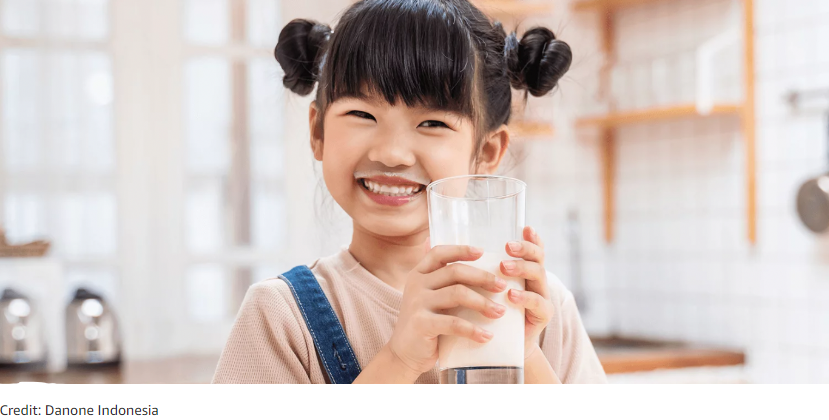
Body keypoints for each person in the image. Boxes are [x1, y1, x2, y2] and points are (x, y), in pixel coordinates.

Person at [213, 0, 606, 384]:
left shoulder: (542, 310)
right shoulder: (280, 316)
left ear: (486, 153)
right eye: (362, 114)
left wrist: (525, 354)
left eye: (432, 123)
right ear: (318, 132)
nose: (392, 153)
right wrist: (399, 360)